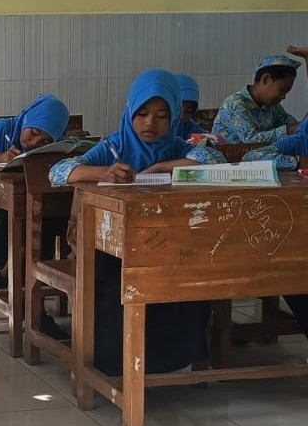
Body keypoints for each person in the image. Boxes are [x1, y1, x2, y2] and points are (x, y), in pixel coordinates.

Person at [49, 69, 223, 376]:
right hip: (107, 245)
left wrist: (162, 167)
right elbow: (57, 171)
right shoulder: (114, 147)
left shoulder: (177, 147)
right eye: (142, 114)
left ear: (173, 118)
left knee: (191, 267)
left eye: (161, 116)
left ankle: (167, 361)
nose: (150, 123)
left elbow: (215, 162)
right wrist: (102, 173)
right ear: (130, 112)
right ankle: (114, 362)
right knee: (117, 275)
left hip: (163, 244)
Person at [0, 94, 71, 338]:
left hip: (34, 208)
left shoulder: (57, 144)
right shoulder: (4, 129)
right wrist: (0, 158)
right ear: (28, 119)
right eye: (34, 132)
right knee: (28, 234)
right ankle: (28, 303)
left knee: (49, 223)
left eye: (45, 140)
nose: (35, 142)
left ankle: (13, 286)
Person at [212, 54, 301, 168]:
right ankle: (299, 162)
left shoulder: (272, 107)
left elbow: (296, 128)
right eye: (282, 89)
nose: (284, 97)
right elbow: (251, 140)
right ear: (266, 79)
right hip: (228, 163)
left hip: (256, 156)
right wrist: (289, 130)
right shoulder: (235, 104)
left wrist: (299, 128)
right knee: (255, 157)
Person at [173, 74, 205, 140]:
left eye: (188, 111)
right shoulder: (157, 127)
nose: (182, 116)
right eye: (178, 109)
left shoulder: (189, 126)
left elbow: (206, 137)